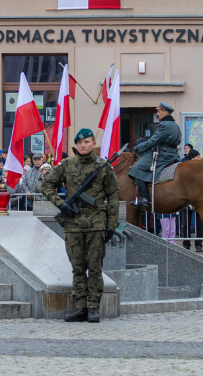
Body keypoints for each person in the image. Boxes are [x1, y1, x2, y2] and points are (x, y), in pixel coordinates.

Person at [41, 128, 120, 324]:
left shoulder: (103, 167)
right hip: (73, 224)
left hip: (96, 224)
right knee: (77, 268)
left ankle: (93, 307)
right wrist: (61, 204)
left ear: (94, 144)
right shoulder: (66, 165)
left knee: (94, 268)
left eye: (87, 142)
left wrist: (111, 224)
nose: (83, 145)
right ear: (76, 145)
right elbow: (46, 185)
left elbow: (113, 196)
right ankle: (80, 307)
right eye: (80, 142)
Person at [129, 102, 182, 209]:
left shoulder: (164, 125)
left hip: (163, 154)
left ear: (166, 112)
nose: (157, 114)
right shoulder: (175, 125)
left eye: (159, 111)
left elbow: (153, 142)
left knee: (136, 168)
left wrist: (138, 147)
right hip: (174, 155)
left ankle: (144, 198)